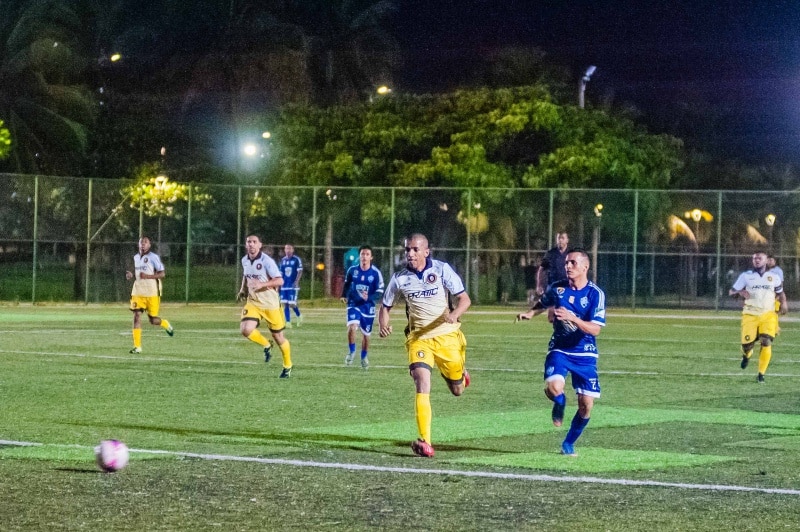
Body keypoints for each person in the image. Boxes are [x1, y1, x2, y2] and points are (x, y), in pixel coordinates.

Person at [378, 233, 471, 458]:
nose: (410, 253)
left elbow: (464, 299)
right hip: (418, 339)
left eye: (415, 249)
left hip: (447, 337)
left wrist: (455, 314)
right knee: (421, 380)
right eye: (408, 249)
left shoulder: (441, 270)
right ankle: (425, 441)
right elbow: (385, 306)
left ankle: (461, 376)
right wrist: (384, 324)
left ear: (426, 252)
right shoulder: (399, 278)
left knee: (457, 390)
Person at [516, 249, 606, 456]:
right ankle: (560, 401)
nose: (568, 266)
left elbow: (596, 329)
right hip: (560, 349)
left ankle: (568, 443)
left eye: (573, 263)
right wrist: (530, 313)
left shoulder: (595, 294)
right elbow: (544, 302)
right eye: (567, 263)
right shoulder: (558, 289)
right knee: (555, 388)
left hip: (585, 354)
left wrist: (572, 318)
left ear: (585, 267)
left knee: (586, 406)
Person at [238, 234, 293, 378]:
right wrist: (242, 289)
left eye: (254, 242)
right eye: (248, 241)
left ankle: (287, 365)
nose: (251, 244)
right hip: (253, 303)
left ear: (260, 245)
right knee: (245, 329)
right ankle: (266, 345)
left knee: (279, 338)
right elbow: (246, 275)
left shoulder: (267, 261)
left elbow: (280, 281)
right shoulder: (244, 260)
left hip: (270, 305)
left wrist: (262, 284)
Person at [729, 251, 787, 383]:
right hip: (750, 314)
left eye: (760, 258)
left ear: (766, 260)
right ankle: (746, 355)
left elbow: (780, 292)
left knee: (766, 341)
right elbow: (731, 291)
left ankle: (761, 374)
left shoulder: (774, 277)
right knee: (747, 345)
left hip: (768, 314)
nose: (757, 260)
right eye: (755, 258)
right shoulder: (746, 276)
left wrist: (784, 303)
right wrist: (740, 292)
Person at [125, 236, 174, 353]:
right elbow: (136, 272)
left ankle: (165, 324)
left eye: (145, 242)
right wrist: (131, 275)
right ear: (138, 245)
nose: (143, 244)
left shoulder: (153, 257)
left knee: (153, 320)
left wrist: (148, 276)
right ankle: (137, 347)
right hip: (138, 291)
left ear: (149, 245)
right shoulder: (136, 257)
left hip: (152, 292)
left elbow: (162, 274)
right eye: (141, 242)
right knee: (136, 315)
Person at [341, 245, 385, 369]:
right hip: (354, 303)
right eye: (362, 254)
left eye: (367, 254)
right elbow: (347, 283)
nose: (364, 257)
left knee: (366, 335)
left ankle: (364, 356)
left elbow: (380, 291)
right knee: (352, 327)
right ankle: (351, 351)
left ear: (371, 257)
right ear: (359, 256)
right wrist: (343, 295)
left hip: (368, 307)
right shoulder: (352, 270)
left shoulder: (375, 273)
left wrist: (369, 297)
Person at [536, 231, 570, 296]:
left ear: (567, 240)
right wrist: (539, 284)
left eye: (562, 238)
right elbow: (541, 270)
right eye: (558, 238)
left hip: (567, 286)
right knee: (552, 305)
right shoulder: (550, 254)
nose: (560, 240)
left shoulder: (571, 254)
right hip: (553, 285)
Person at [279, 244, 303, 328]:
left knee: (292, 304)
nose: (287, 250)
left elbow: (300, 271)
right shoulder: (283, 260)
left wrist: (296, 281)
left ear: (293, 250)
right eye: (286, 248)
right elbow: (281, 273)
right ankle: (288, 322)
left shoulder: (296, 259)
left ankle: (299, 315)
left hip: (292, 285)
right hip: (284, 285)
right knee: (285, 303)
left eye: (289, 248)